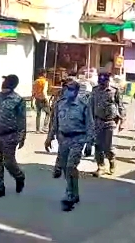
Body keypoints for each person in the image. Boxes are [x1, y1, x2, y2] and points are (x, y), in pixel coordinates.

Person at [45, 80, 94, 212]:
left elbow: (90, 124)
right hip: (63, 139)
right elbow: (54, 123)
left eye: (71, 89)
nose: (68, 91)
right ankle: (75, 192)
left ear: (77, 91)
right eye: (66, 88)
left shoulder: (83, 105)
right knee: (68, 170)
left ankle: (69, 195)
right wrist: (49, 138)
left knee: (71, 166)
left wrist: (89, 143)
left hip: (78, 138)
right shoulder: (59, 104)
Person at [88, 72, 125, 176]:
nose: (102, 85)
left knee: (108, 147)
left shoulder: (114, 91)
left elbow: (121, 106)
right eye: (100, 83)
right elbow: (91, 105)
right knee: (98, 145)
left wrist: (122, 121)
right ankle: (101, 166)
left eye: (104, 83)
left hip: (110, 122)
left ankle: (112, 161)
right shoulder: (95, 90)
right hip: (97, 121)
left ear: (108, 81)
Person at [32, 69, 50, 133]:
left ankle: (37, 129)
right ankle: (45, 127)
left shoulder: (35, 81)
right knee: (48, 113)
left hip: (37, 99)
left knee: (38, 114)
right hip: (43, 99)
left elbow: (33, 92)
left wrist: (32, 101)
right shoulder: (45, 81)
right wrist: (47, 99)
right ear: (44, 74)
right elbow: (44, 91)